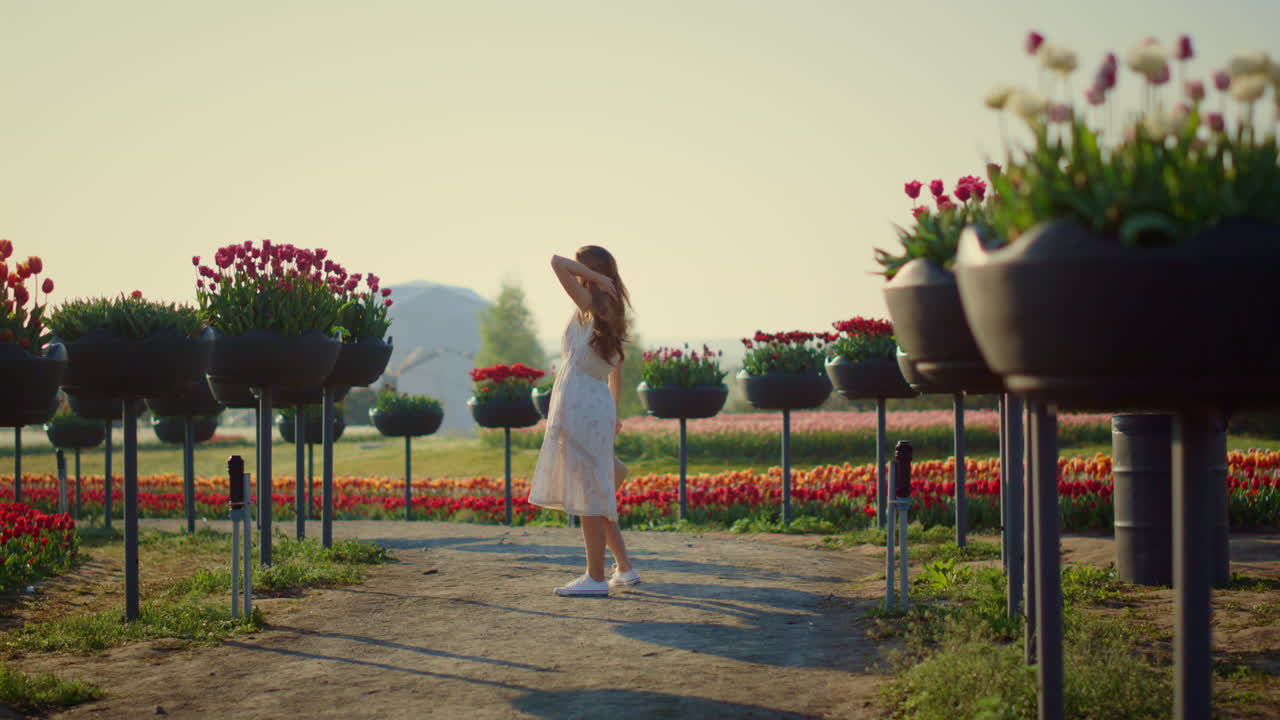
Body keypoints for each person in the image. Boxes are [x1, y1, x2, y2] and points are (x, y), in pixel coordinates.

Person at [529, 245, 639, 596]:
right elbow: (616, 375)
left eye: (583, 268)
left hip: (580, 402)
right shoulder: (612, 308)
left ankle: (594, 578)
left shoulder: (590, 302)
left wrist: (593, 278)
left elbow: (555, 262)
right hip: (597, 402)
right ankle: (624, 568)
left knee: (590, 490)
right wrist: (615, 413)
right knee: (597, 486)